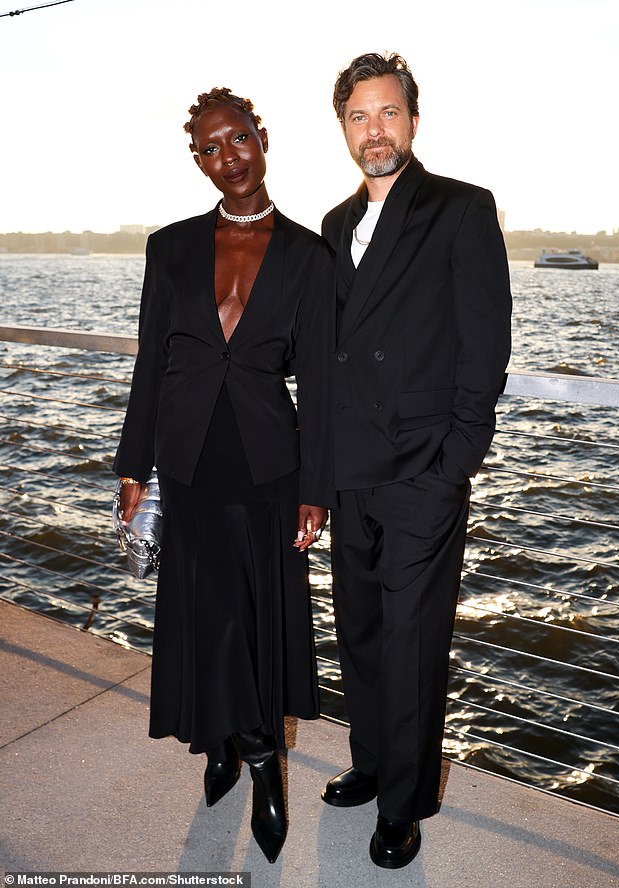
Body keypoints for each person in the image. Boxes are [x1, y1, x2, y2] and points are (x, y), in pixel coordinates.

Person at [113, 87, 333, 865]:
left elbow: (321, 384)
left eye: (237, 139)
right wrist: (132, 466)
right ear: (198, 160)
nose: (227, 157)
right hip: (189, 459)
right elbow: (152, 365)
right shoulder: (168, 247)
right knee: (207, 611)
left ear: (261, 137)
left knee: (258, 613)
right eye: (210, 148)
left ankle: (263, 759)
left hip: (269, 463)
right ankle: (222, 744)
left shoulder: (310, 255)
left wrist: (317, 484)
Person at [320, 52, 512, 869]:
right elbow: (329, 352)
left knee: (410, 640)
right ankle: (371, 762)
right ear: (344, 130)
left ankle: (404, 802)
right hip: (350, 470)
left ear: (414, 120)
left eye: (388, 113)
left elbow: (486, 341)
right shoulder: (333, 225)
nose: (376, 131)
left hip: (423, 470)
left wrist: (456, 457)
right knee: (360, 628)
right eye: (360, 117)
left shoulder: (461, 210)